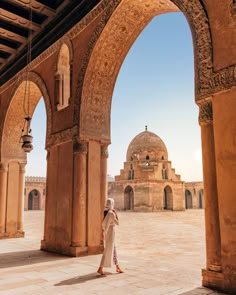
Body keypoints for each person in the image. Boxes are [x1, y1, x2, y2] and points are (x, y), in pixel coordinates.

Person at [97, 198, 123, 275]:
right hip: (111, 232)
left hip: (108, 233)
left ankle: (117, 267)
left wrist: (102, 233)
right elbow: (117, 223)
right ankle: (100, 268)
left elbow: (103, 224)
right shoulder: (111, 213)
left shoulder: (105, 212)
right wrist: (116, 213)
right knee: (108, 250)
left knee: (113, 250)